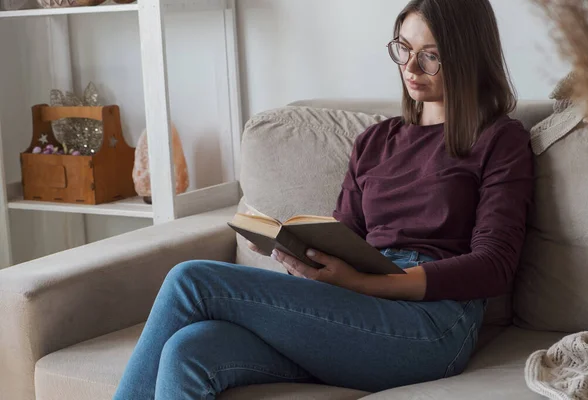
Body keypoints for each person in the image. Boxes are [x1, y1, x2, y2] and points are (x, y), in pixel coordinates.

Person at [113, 0, 534, 399]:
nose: (409, 66)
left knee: (191, 280)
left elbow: (494, 265)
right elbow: (343, 239)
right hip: (355, 307)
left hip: (431, 322)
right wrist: (291, 248)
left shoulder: (499, 139)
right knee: (189, 350)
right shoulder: (375, 141)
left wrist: (368, 283)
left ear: (466, 57)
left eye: (430, 55)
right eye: (403, 48)